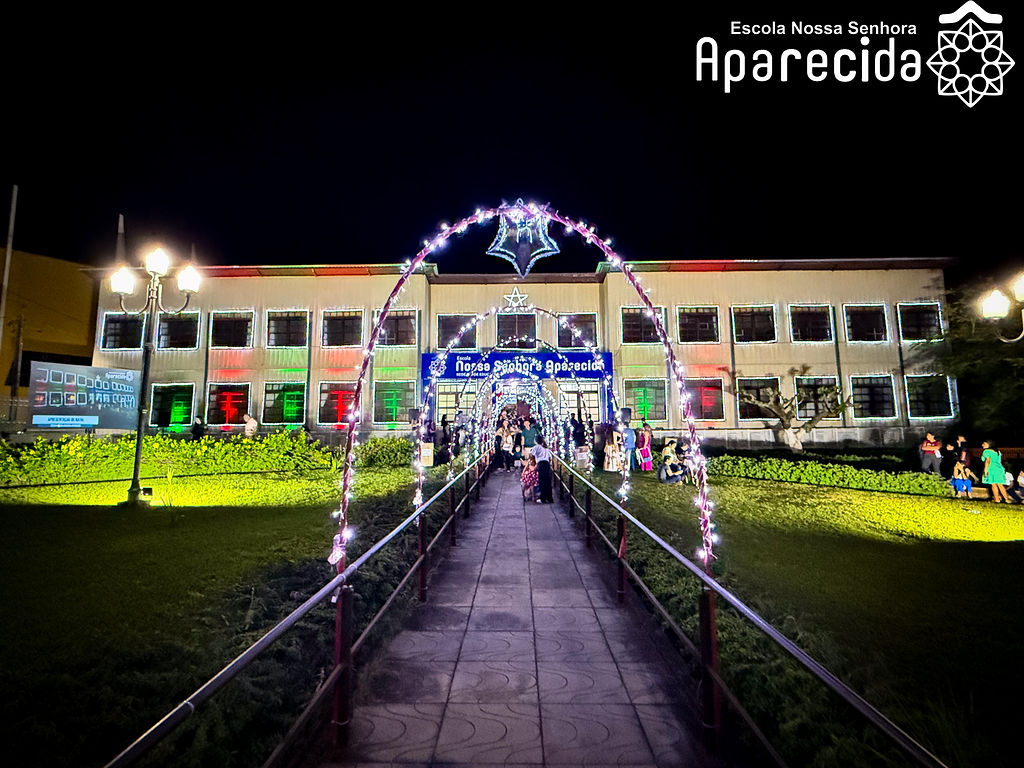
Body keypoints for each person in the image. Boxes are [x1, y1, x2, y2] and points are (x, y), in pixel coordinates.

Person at [532, 436, 554, 503]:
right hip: (546, 464)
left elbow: (532, 455)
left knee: (542, 481)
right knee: (547, 481)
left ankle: (543, 498)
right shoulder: (546, 448)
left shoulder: (536, 447)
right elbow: (550, 457)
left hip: (540, 464)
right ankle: (550, 498)